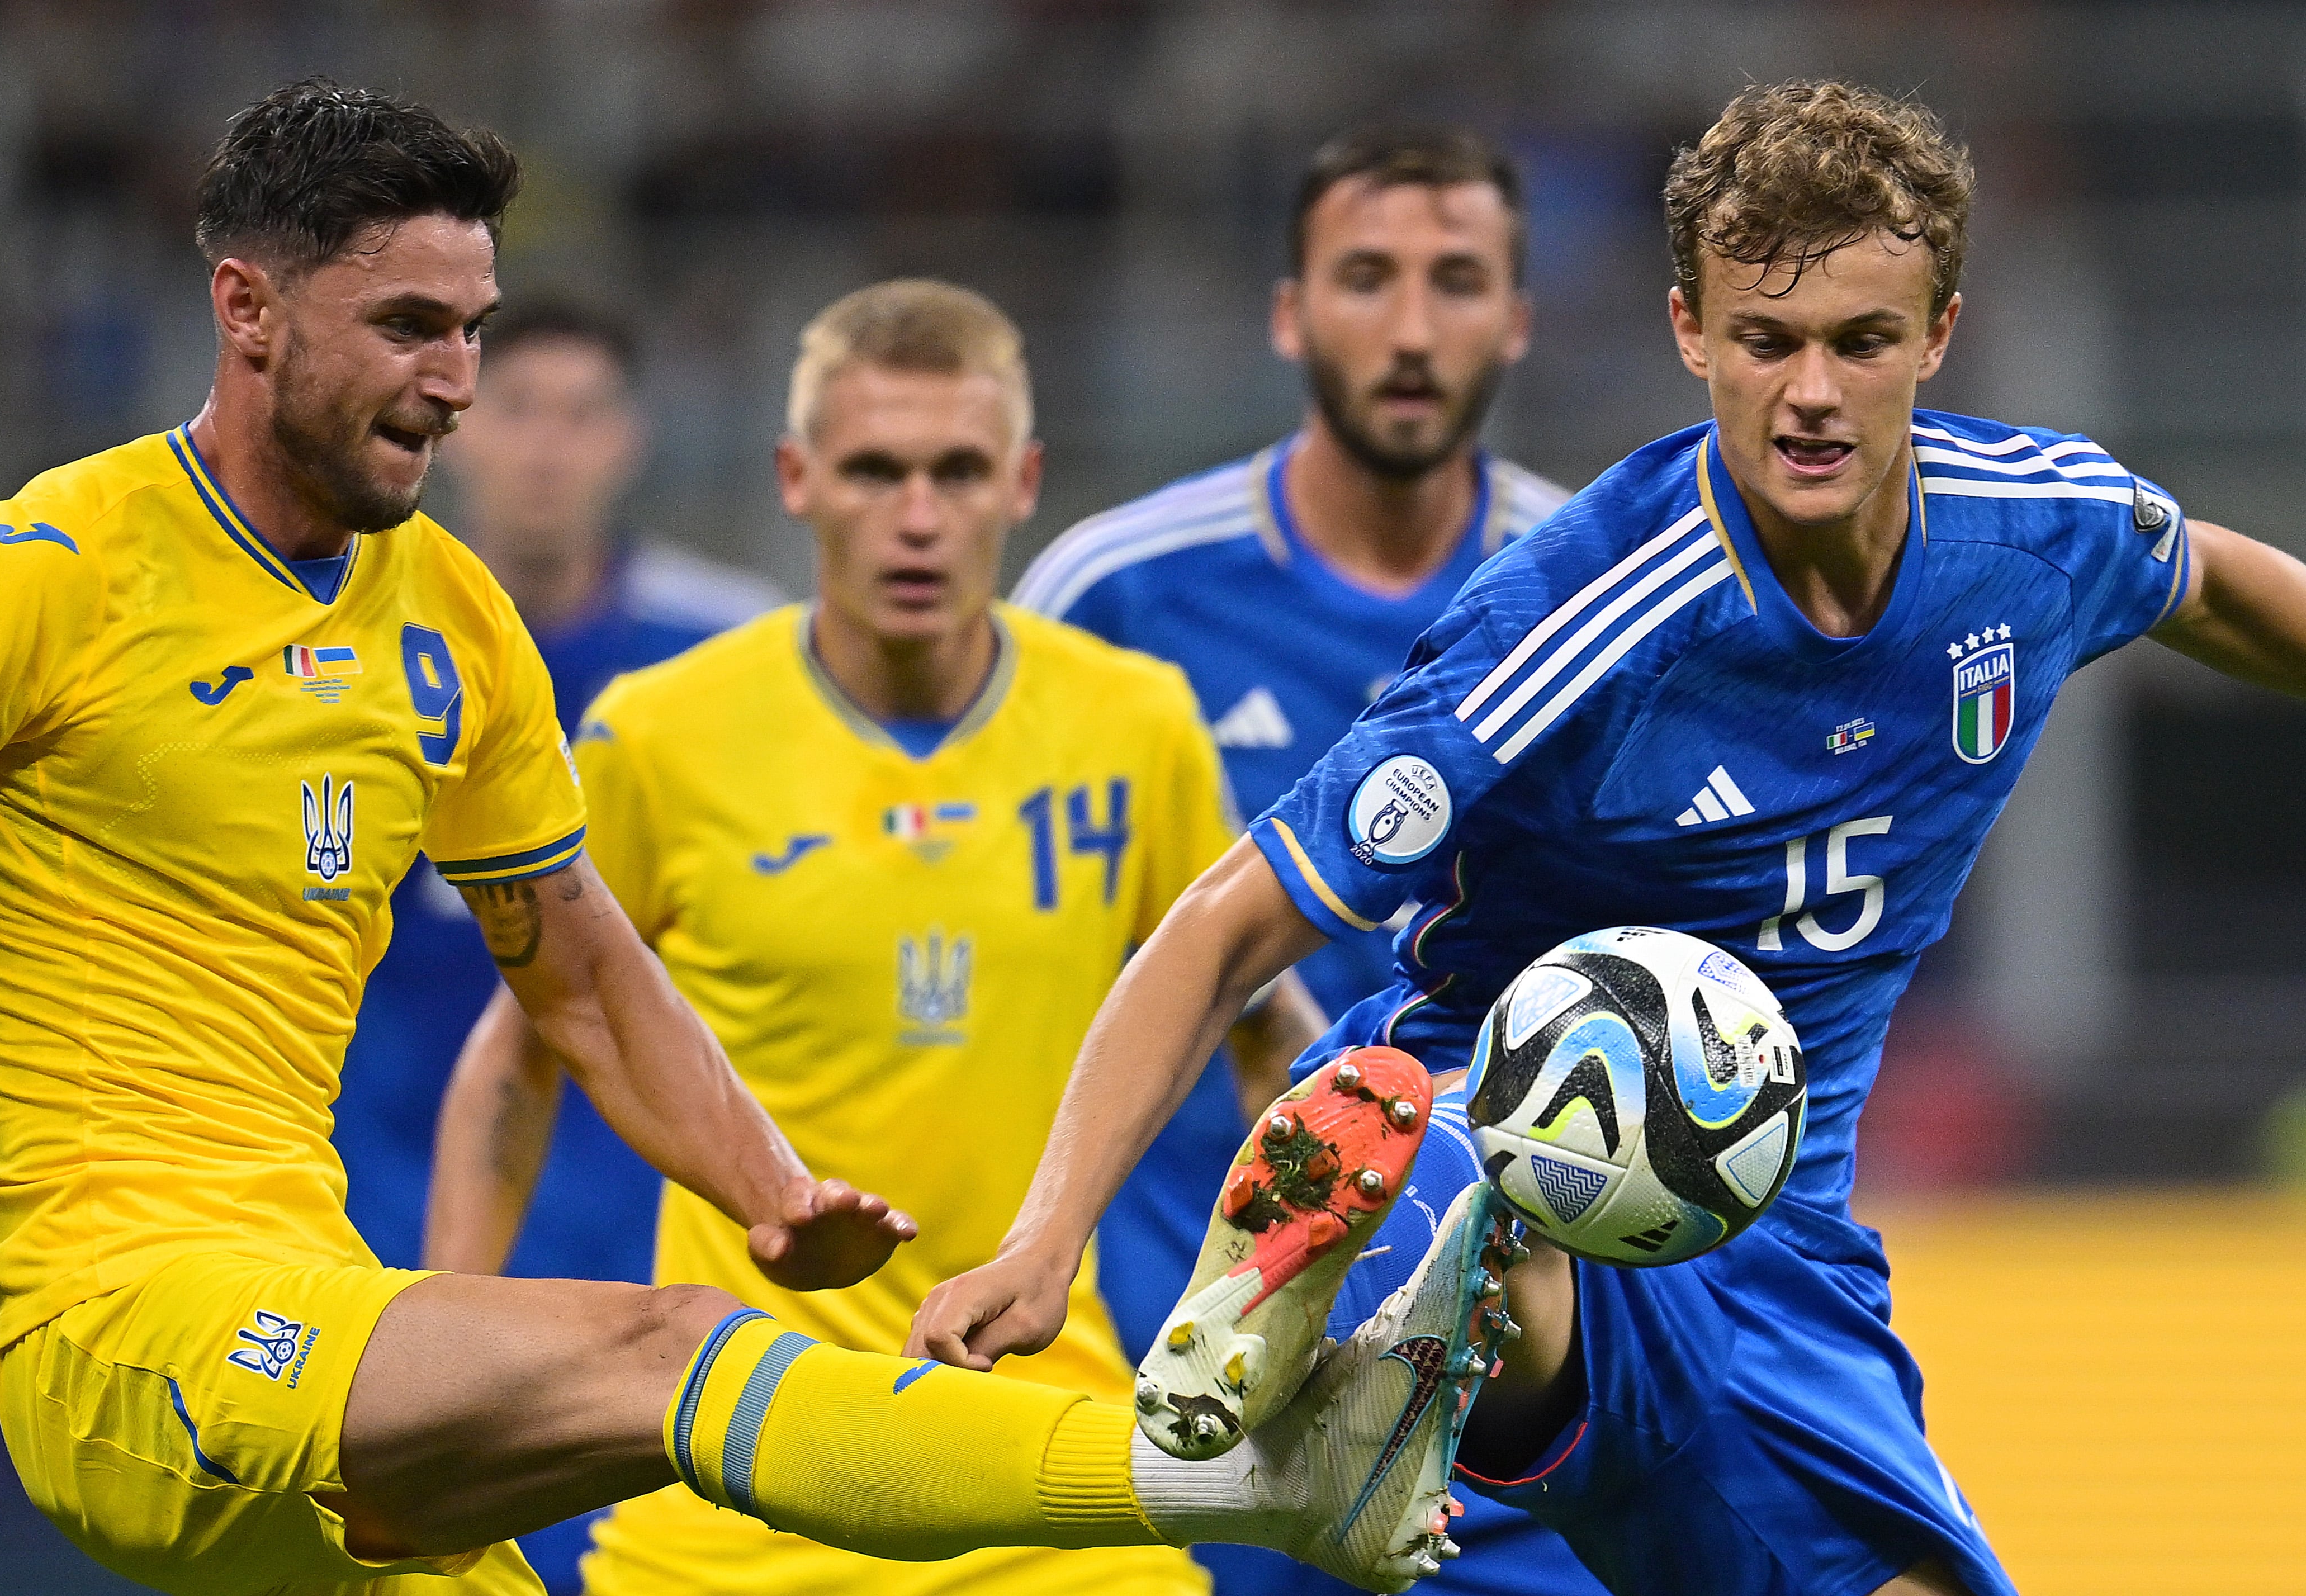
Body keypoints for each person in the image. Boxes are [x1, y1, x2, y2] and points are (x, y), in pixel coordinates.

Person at [0, 79, 1493, 1596]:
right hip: (121, 1327)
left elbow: (581, 974)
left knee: (693, 1404)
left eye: (472, 329)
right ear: (247, 310)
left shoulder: (451, 626)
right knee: (675, 1352)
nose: (457, 384)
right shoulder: (49, 570)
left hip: (308, 1304)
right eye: (409, 328)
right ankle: (1254, 1485)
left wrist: (770, 1187)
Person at [917, 79, 2306, 1596]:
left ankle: (1422, 1350)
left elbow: (2223, 590)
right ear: (1690, 333)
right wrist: (1047, 1238)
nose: (1811, 396)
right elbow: (1228, 923)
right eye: (1765, 342)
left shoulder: (2036, 532)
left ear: (1940, 336)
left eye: (1860, 342)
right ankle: (1416, 1300)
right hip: (1492, 1110)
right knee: (1531, 1143)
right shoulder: (1580, 617)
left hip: (1778, 1245)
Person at [426, 277, 1330, 1596]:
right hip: (732, 1503)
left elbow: (1262, 1037)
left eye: (957, 472)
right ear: (796, 478)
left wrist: (1303, 1288)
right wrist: (446, 1380)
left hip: (1047, 1483)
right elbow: (522, 1052)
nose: (916, 518)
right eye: (872, 471)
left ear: (1022, 482)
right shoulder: (660, 732)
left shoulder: (1133, 723)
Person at [1014, 124, 1598, 1596]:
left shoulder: (1600, 593)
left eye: (1455, 280)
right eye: (1365, 278)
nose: (1410, 327)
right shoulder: (1116, 594)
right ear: (1289, 312)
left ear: (1518, 317)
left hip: (1502, 1368)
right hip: (1194, 1368)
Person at [329, 297, 780, 1594]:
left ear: (629, 440)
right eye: (516, 411)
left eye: (581, 415)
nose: (546, 448)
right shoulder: (333, 642)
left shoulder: (731, 659)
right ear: (460, 431)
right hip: (367, 1227)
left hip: (646, 1248)